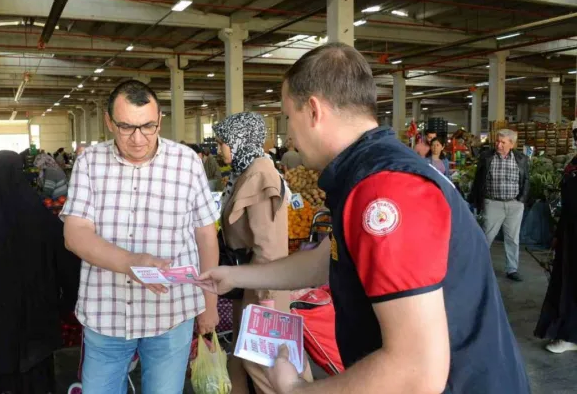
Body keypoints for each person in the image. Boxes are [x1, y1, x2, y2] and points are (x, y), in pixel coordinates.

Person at [197, 42, 530, 394]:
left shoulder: (384, 191)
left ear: (313, 111)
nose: (289, 136)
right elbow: (326, 261)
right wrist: (234, 275)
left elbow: (414, 372)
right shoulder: (364, 173)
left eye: (288, 118)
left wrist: (295, 389)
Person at [60, 80, 220, 394]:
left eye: (148, 127)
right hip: (107, 312)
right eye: (126, 127)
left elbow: (205, 237)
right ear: (109, 122)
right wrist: (131, 263)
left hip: (171, 313)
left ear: (160, 120)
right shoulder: (89, 163)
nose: (137, 139)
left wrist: (209, 303)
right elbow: (75, 234)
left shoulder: (186, 163)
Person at [0, 150, 81, 394]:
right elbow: (62, 249)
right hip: (28, 305)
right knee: (29, 362)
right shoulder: (33, 210)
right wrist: (69, 297)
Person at [213, 112, 312, 393]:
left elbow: (268, 246)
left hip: (262, 286)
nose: (220, 148)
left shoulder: (259, 176)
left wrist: (267, 300)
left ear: (240, 141)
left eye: (224, 142)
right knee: (244, 359)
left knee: (266, 365)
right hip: (249, 282)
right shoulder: (246, 172)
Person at [534, 129, 577, 354]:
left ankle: (570, 335)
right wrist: (559, 233)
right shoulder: (574, 164)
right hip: (570, 233)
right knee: (566, 283)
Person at [470, 129, 530, 282]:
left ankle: (512, 269)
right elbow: (478, 180)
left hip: (514, 205)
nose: (499, 144)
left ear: (512, 144)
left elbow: (526, 180)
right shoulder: (487, 157)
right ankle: (477, 267)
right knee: (486, 236)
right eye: (498, 141)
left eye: (503, 142)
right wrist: (477, 200)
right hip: (493, 203)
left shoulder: (521, 159)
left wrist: (521, 200)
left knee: (512, 239)